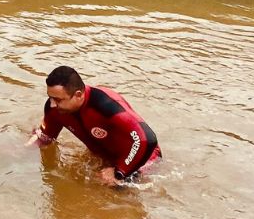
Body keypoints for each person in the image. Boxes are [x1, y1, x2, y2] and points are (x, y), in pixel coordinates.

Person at [28, 66, 161, 187]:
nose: (52, 104)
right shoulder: (54, 110)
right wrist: (21, 149)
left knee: (115, 196)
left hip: (140, 159)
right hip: (104, 159)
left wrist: (119, 172)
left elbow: (146, 139)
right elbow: (46, 138)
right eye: (50, 97)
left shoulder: (106, 105)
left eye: (57, 100)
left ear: (78, 95)